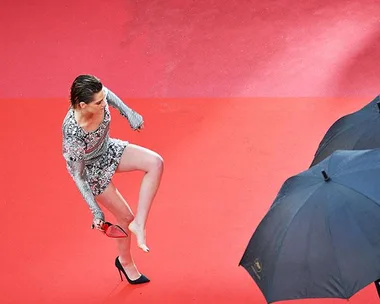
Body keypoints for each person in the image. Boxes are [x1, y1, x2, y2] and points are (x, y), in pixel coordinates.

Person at [62, 74, 164, 284]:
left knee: (155, 162)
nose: (104, 102)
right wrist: (96, 211)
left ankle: (140, 225)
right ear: (82, 105)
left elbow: (109, 95)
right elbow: (79, 177)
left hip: (107, 149)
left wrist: (129, 113)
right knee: (124, 217)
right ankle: (125, 262)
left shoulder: (97, 96)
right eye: (99, 102)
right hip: (91, 171)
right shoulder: (73, 133)